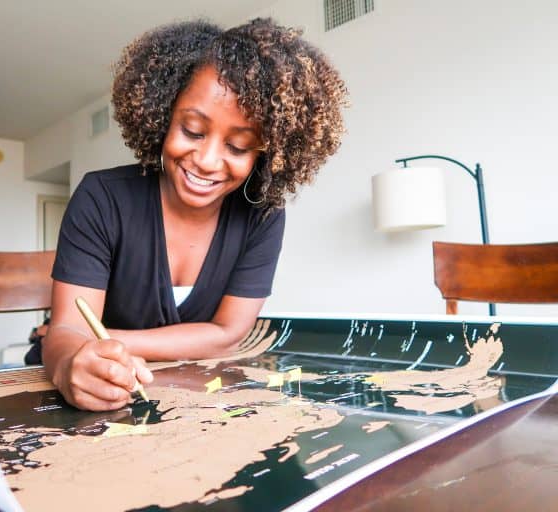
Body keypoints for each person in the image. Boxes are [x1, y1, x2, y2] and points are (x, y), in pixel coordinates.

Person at [32, 18, 348, 411]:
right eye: (193, 131)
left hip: (185, 397)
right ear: (164, 116)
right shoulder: (102, 198)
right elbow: (66, 332)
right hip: (86, 397)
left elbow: (227, 332)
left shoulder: (261, 218)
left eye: (237, 147)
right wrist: (69, 364)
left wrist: (106, 338)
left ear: (265, 155)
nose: (207, 160)